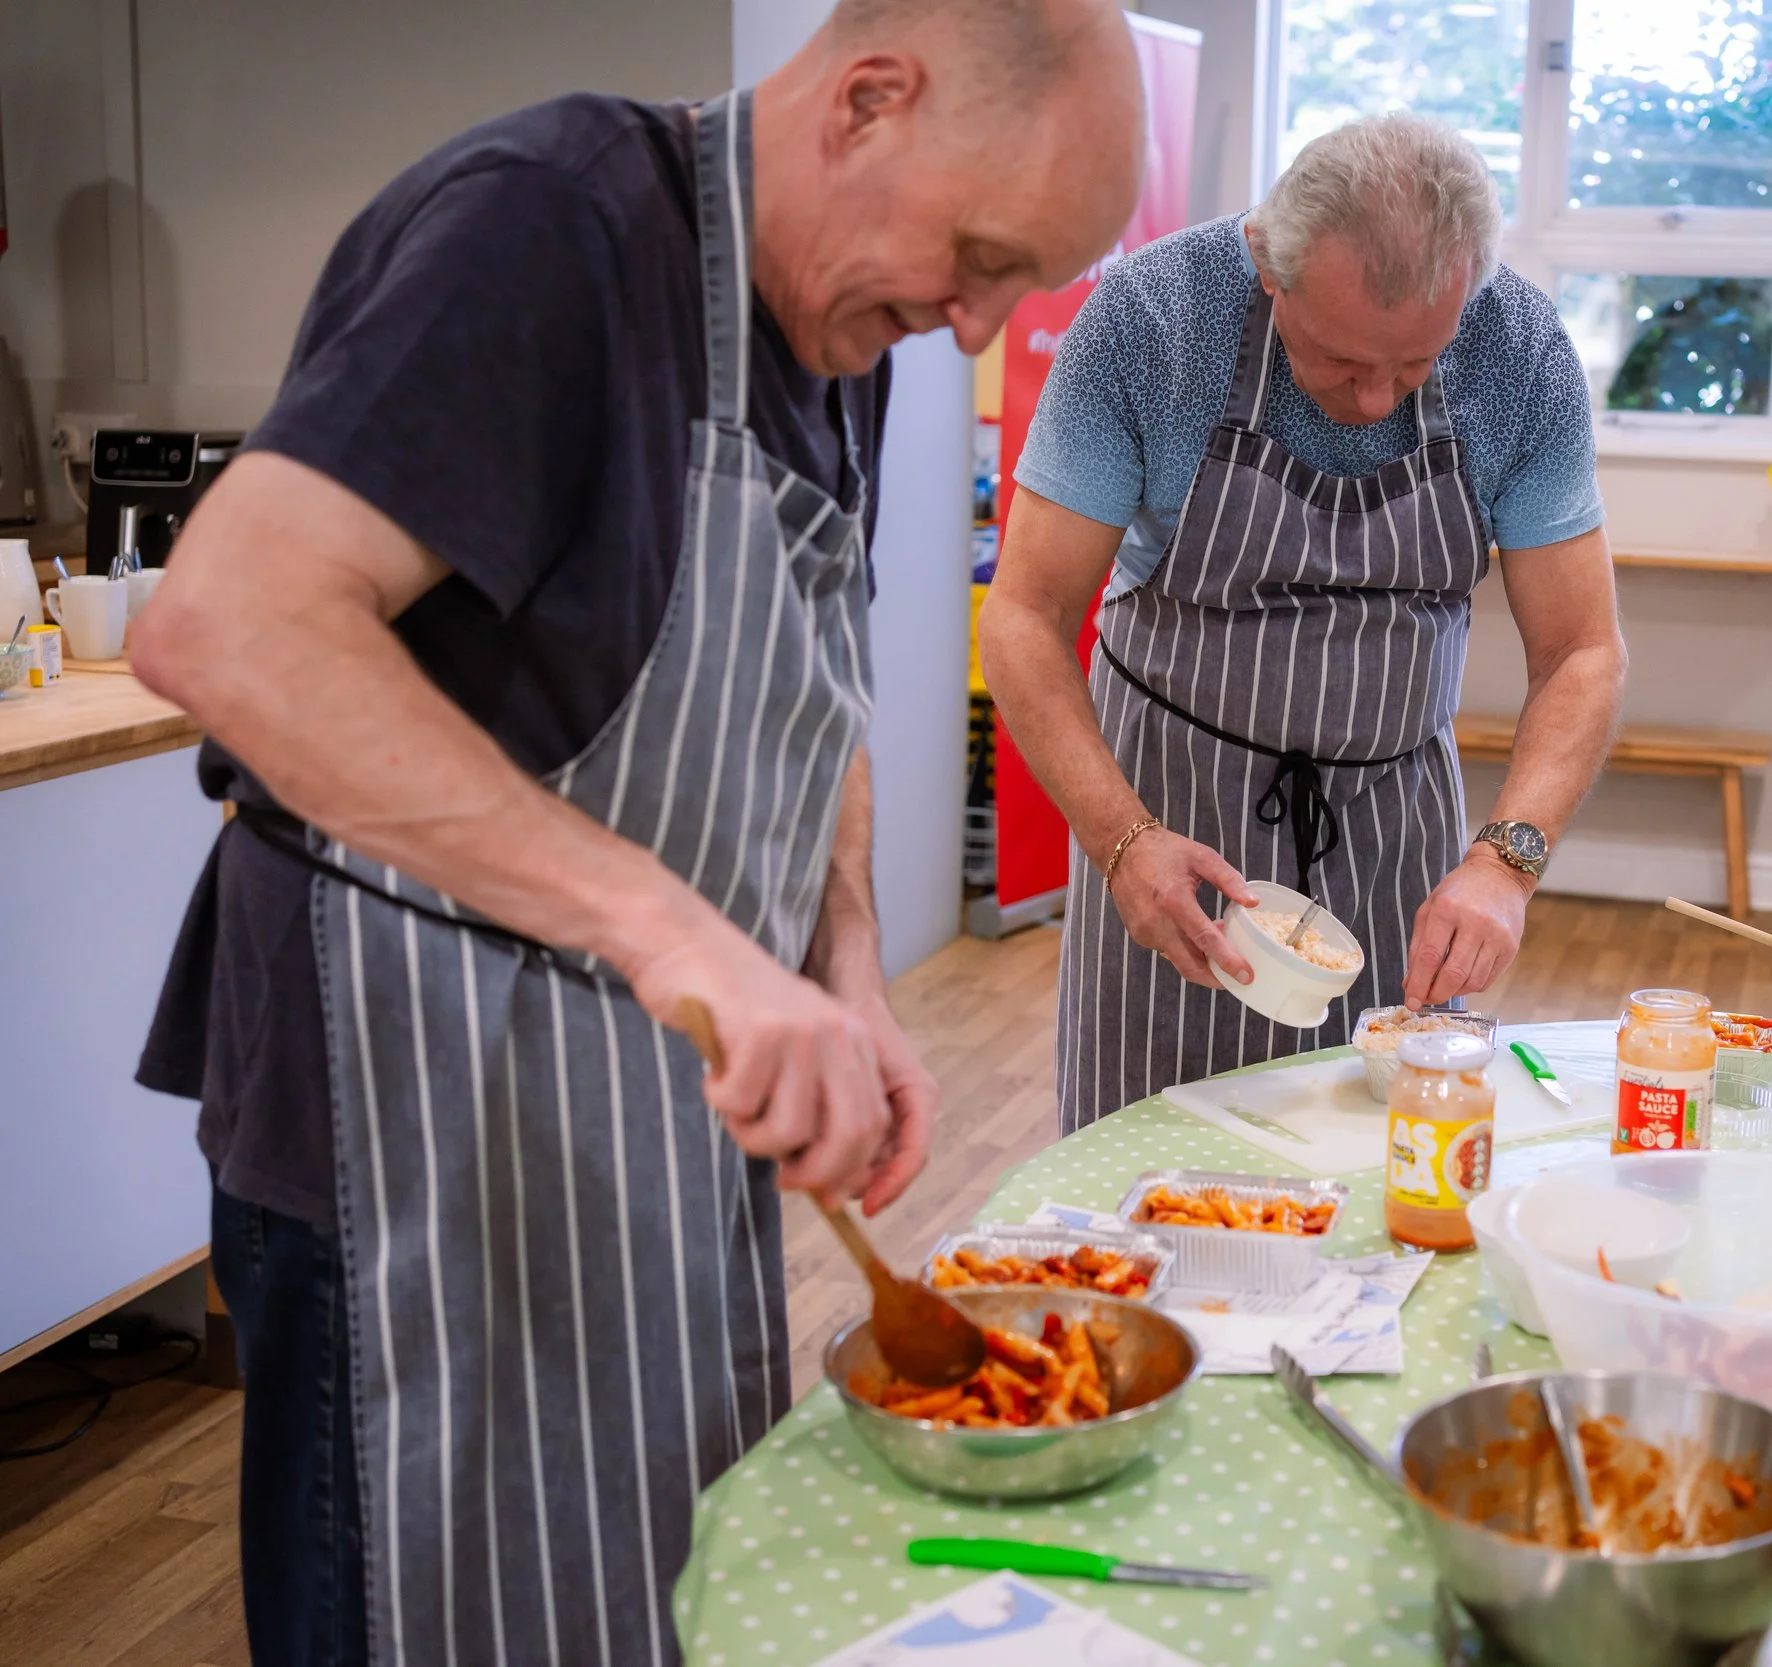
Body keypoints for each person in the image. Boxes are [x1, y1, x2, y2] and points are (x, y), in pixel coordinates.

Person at [126, 2, 1144, 1661]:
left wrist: (852, 966)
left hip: (651, 1110)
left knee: (662, 1592)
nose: (974, 324)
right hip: (413, 1112)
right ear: (868, 99)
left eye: (1017, 287)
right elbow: (225, 627)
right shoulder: (555, 229)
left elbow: (811, 682)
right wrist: (678, 933)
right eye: (980, 254)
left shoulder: (838, 335)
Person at [980, 114, 1626, 1130]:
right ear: (1266, 267)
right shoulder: (1151, 324)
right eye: (1338, 359)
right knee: (1146, 1173)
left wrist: (1505, 863)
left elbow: (1582, 651)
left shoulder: (1519, 352)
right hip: (1168, 823)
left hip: (1396, 829)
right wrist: (1122, 844)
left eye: (1413, 366)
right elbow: (1022, 615)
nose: (1374, 400)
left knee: (1386, 1168)